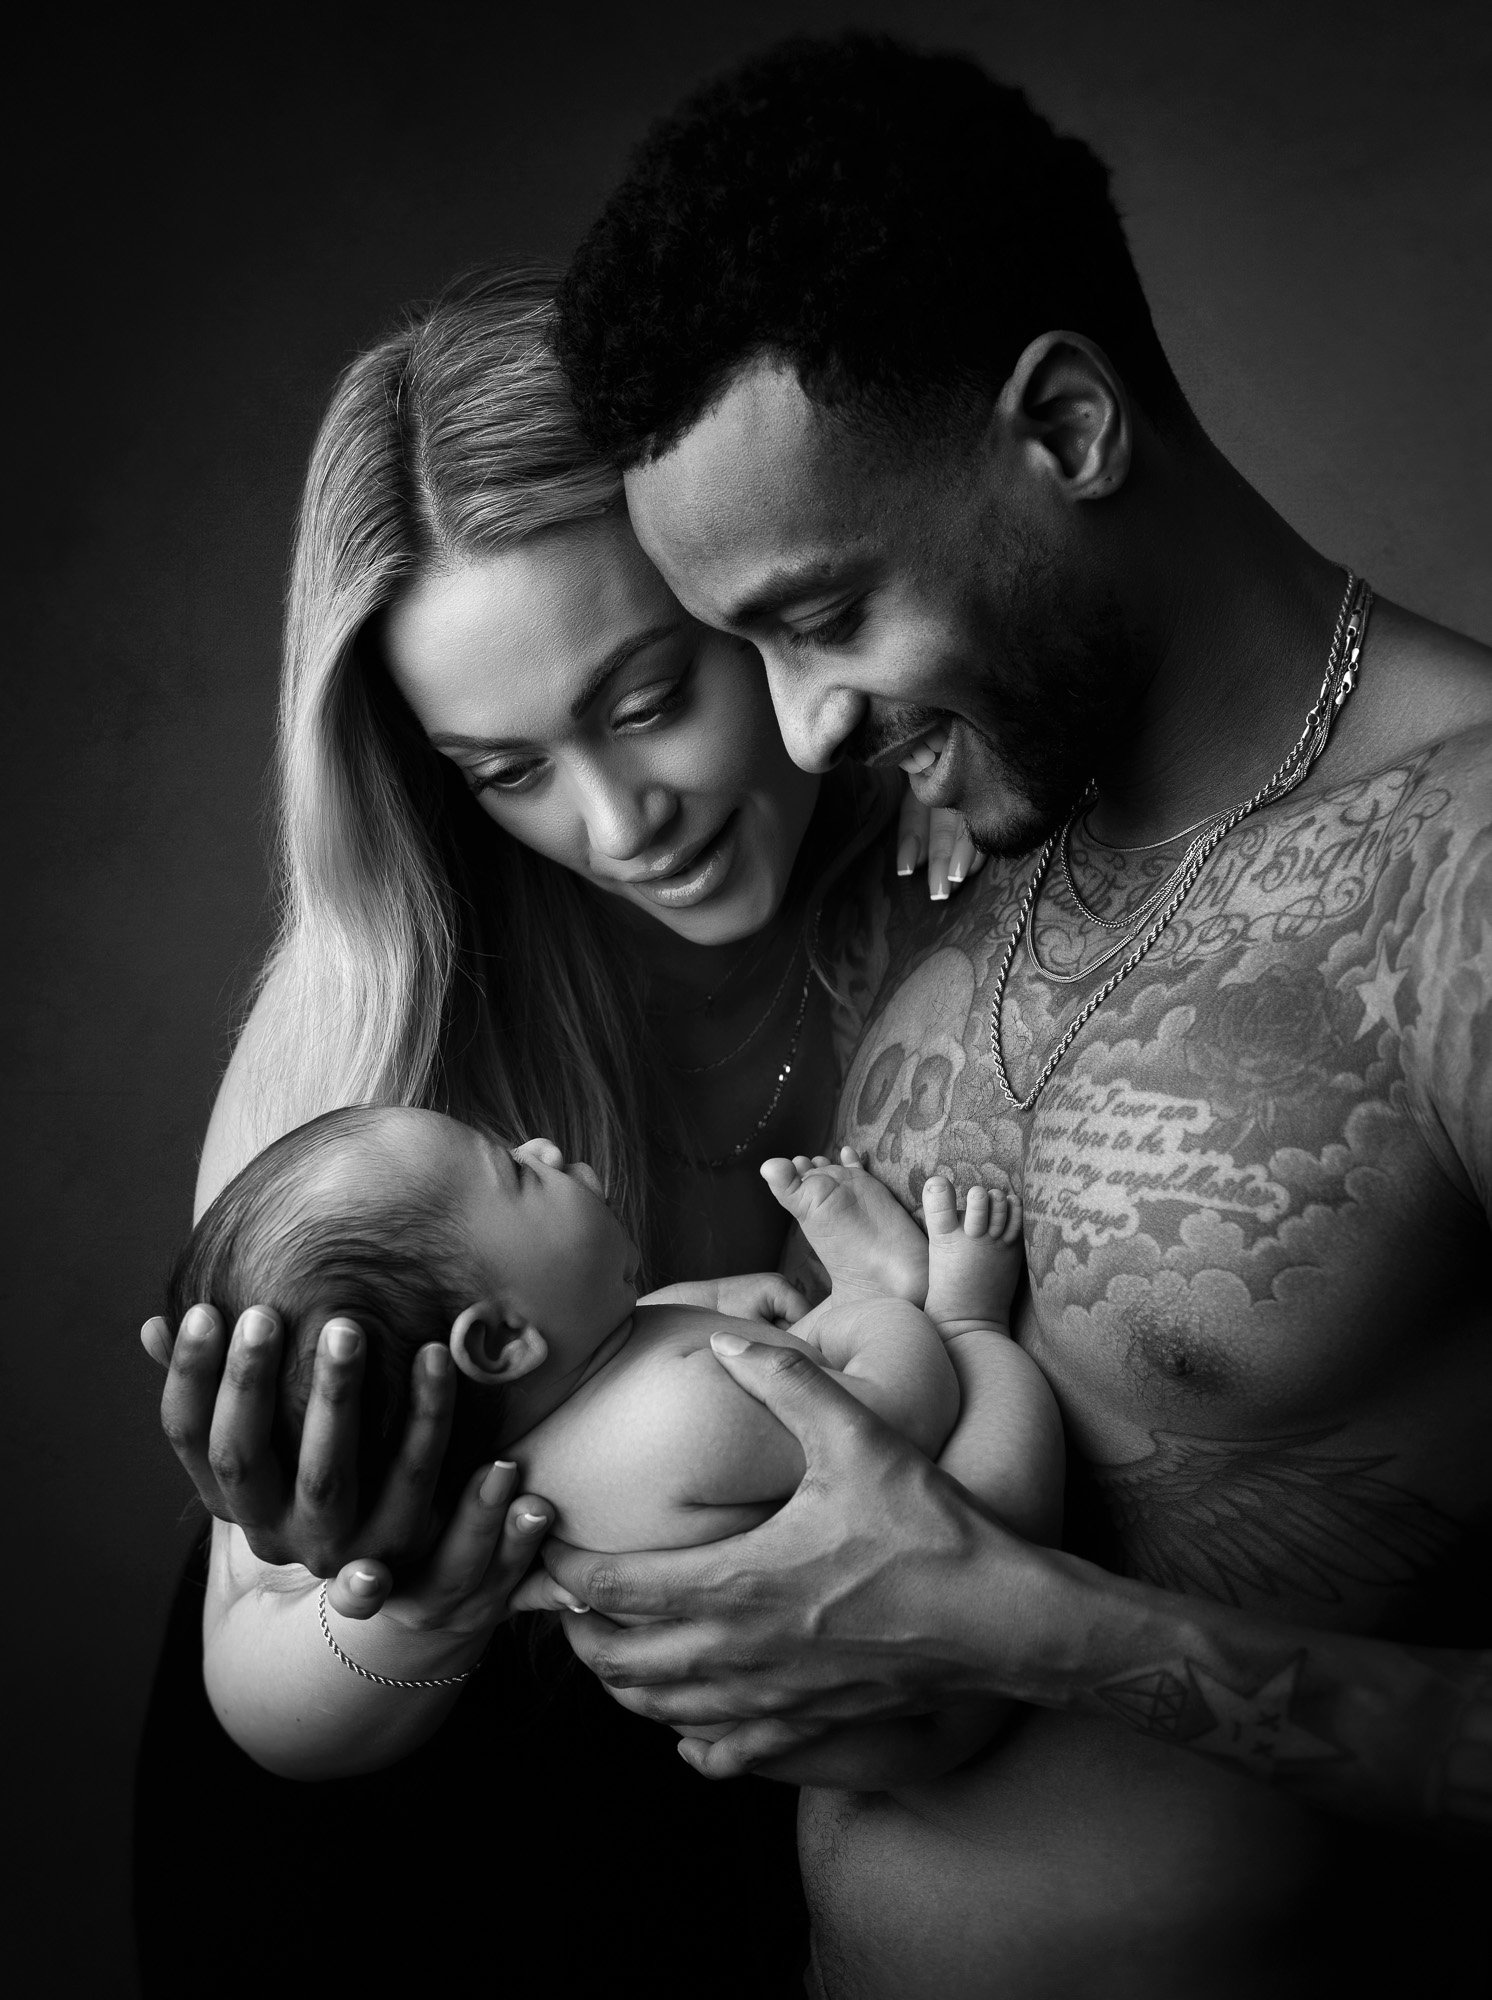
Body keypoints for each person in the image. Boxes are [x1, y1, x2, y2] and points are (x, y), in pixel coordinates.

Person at [524, 32, 1492, 1997]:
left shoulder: (1467, 872)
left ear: (1064, 423)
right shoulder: (961, 833)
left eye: (821, 615)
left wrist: (1030, 1627)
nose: (799, 726)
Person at [135, 265, 978, 1998]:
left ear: (763, 582)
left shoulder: (970, 883)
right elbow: (263, 1679)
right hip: (415, 1861)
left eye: (647, 695)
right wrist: (392, 1601)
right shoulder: (381, 1030)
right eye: (506, 768)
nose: (618, 822)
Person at [170, 1100, 1053, 1786]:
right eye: (516, 1175)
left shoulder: (571, 1402)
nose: (544, 1150)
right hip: (939, 1691)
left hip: (832, 1693)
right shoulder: (676, 1422)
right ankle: (968, 1316)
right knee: (981, 1401)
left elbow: (651, 1321)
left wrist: (718, 1302)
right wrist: (876, 1306)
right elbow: (903, 1417)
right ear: (499, 1343)